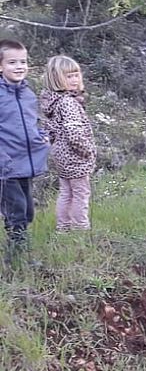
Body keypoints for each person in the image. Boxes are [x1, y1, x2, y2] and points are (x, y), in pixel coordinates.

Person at [0, 39, 50, 266]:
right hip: (6, 167)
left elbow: (31, 122)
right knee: (16, 211)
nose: (19, 66)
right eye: (12, 62)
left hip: (26, 164)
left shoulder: (28, 93)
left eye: (23, 61)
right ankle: (17, 258)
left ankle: (18, 251)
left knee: (28, 209)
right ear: (1, 66)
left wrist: (41, 136)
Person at [40, 55, 96, 232]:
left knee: (66, 192)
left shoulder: (54, 101)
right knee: (80, 193)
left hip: (61, 156)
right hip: (75, 156)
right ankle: (80, 228)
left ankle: (63, 228)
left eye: (76, 75)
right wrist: (89, 152)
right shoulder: (68, 103)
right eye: (68, 76)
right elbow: (75, 135)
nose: (74, 80)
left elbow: (50, 129)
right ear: (56, 79)